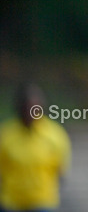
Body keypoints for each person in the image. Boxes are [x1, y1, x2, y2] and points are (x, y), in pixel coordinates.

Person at [0, 83, 71, 212]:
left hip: (43, 203)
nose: (31, 113)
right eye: (27, 108)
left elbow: (60, 171)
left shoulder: (55, 135)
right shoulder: (6, 135)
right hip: (12, 203)